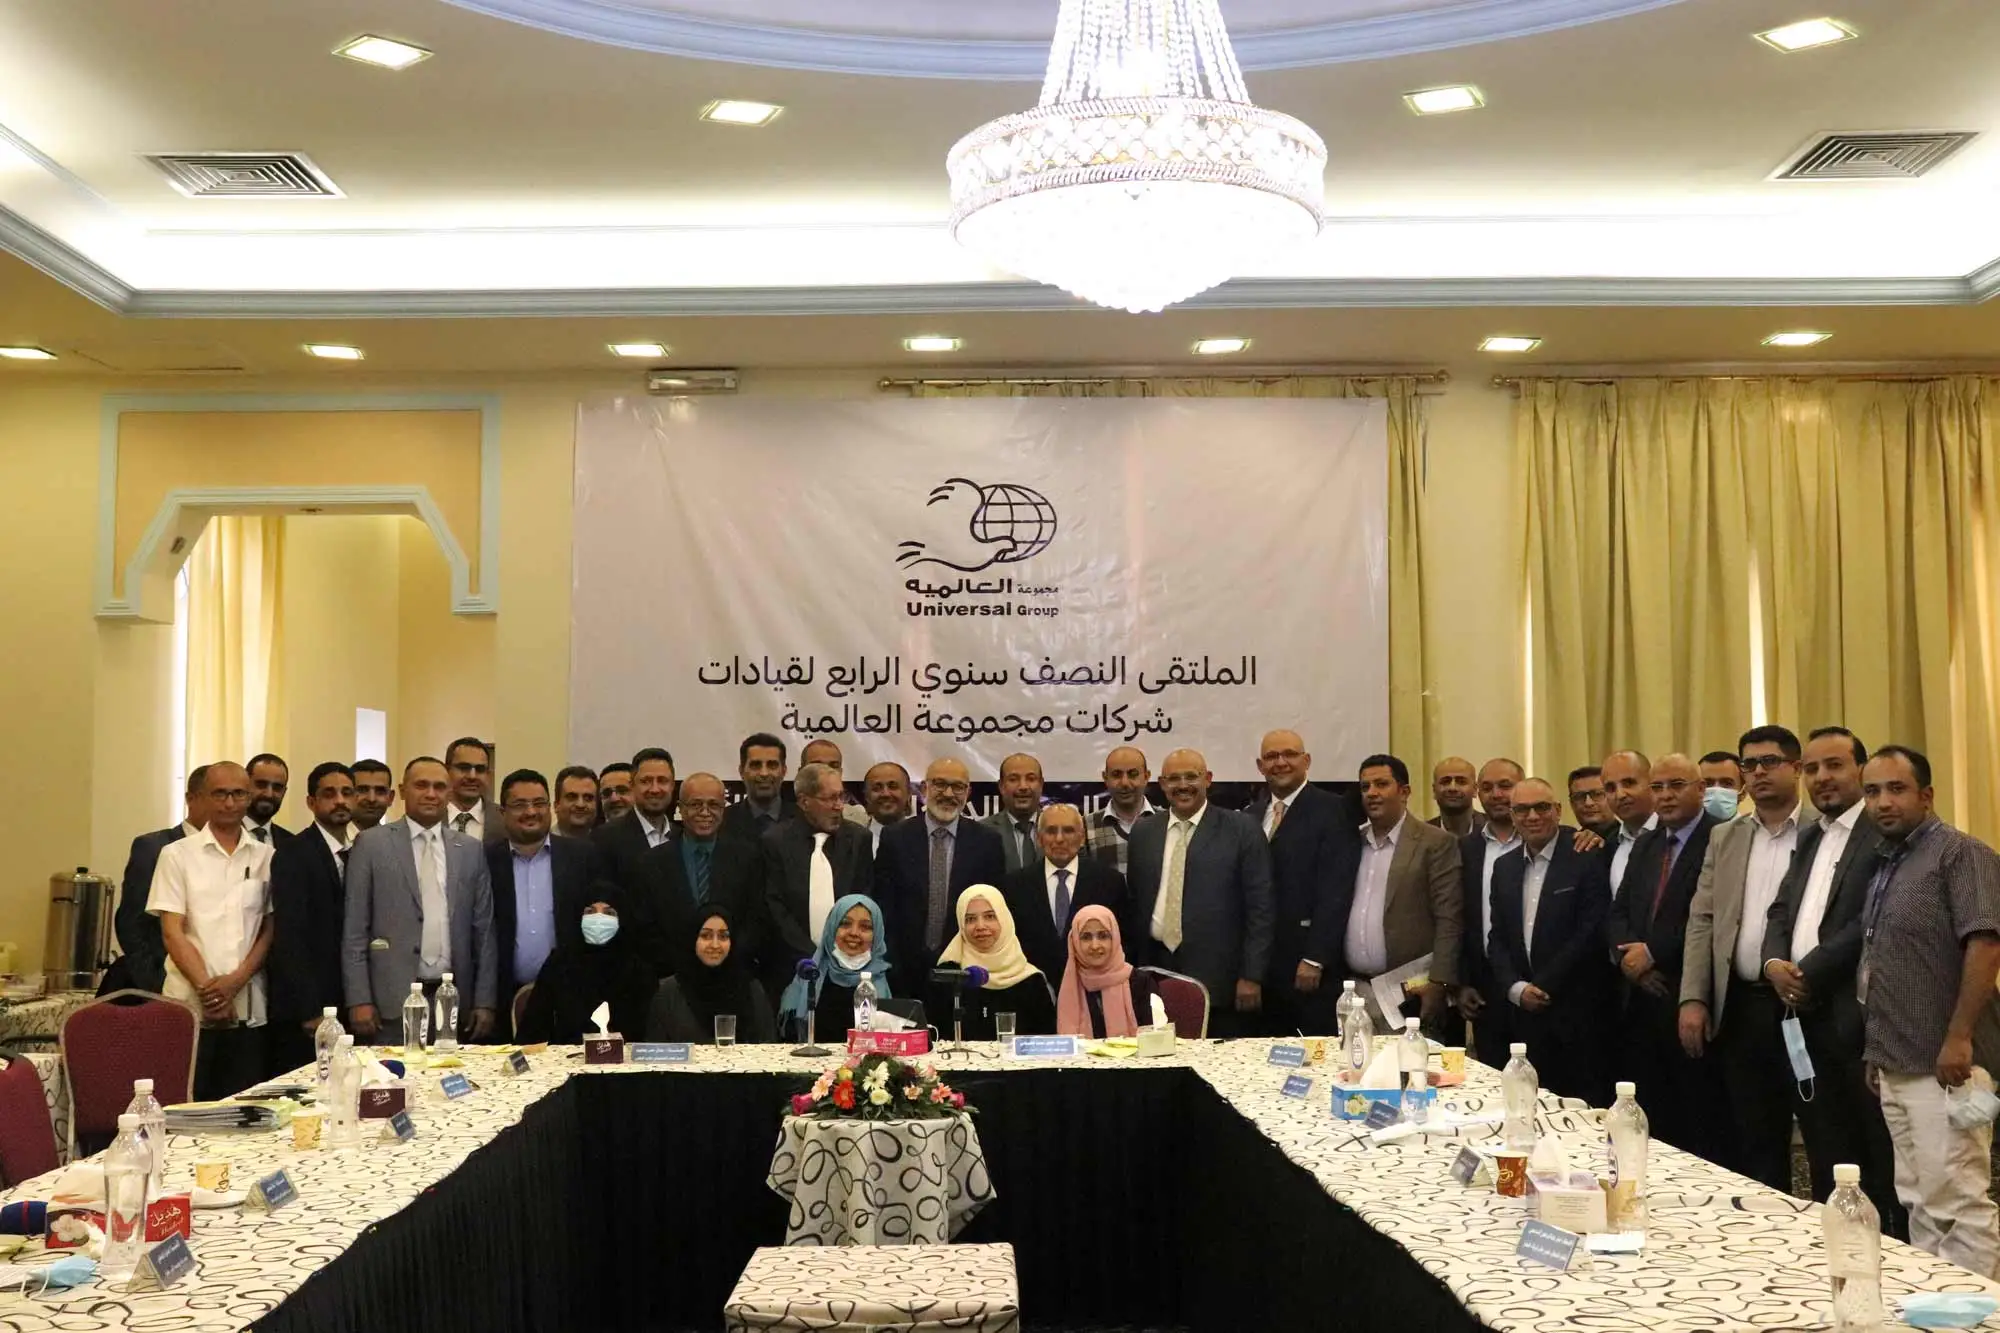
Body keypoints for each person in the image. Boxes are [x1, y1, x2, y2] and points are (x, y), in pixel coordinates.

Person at [1856, 745, 2000, 1276]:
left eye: (1896, 789)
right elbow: (1884, 960)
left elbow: (1986, 944)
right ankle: (1936, 1303)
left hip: (1948, 1062)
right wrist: (1877, 1052)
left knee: (1958, 1203)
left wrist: (1960, 1037)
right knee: (1917, 1199)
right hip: (1897, 1060)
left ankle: (1980, 1310)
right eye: (1872, 791)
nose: (1882, 802)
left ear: (1927, 795)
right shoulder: (1888, 861)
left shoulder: (1961, 853)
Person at [1761, 726, 1901, 1234]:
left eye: (1835, 765)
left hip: (1856, 1019)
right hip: (1802, 1016)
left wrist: (1810, 971)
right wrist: (1774, 964)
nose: (1822, 777)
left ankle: (1888, 1256)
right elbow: (1780, 910)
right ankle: (1833, 1250)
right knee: (1825, 1149)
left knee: (1875, 1157)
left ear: (1860, 770)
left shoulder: (1881, 831)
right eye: (1814, 768)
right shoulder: (1811, 834)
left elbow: (1869, 920)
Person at [1679, 725, 1803, 1192]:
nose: (1758, 772)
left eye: (1770, 761)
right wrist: (1693, 998)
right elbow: (1703, 919)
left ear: (1796, 768)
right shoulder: (1726, 836)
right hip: (1743, 1003)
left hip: (1807, 1002)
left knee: (1824, 1130)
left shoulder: (1823, 831)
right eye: (1749, 764)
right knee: (1755, 1133)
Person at [1606, 753, 1723, 1160]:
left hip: (1690, 995)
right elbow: (1618, 912)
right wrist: (1630, 961)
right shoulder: (1648, 843)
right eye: (1658, 787)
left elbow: (1711, 916)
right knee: (1653, 1120)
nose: (1666, 795)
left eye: (1676, 785)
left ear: (1701, 789)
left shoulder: (1721, 837)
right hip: (1641, 999)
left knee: (1700, 1121)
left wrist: (1654, 952)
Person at [341, 756, 499, 1045]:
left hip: (453, 1001)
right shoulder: (371, 844)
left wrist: (484, 1000)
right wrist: (359, 998)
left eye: (439, 787)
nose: (430, 794)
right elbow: (355, 929)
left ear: (449, 793)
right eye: (421, 785)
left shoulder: (470, 850)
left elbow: (484, 932)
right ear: (403, 791)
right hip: (390, 1002)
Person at [1127, 748, 1275, 1037]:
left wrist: (1252, 975)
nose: (1183, 785)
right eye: (1174, 779)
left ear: (1208, 779)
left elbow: (1262, 908)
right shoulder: (1143, 832)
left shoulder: (1242, 829)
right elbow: (1136, 902)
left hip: (1222, 980)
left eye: (1191, 777)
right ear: (1162, 784)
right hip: (1155, 974)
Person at [152, 761, 275, 1099]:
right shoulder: (176, 855)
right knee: (188, 1106)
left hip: (248, 1007)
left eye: (238, 794)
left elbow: (268, 929)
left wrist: (234, 983)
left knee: (244, 1108)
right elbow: (172, 931)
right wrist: (212, 994)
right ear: (203, 797)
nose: (229, 803)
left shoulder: (266, 856)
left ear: (249, 798)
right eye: (220, 794)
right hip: (189, 1007)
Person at [1487, 778, 1611, 1102]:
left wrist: (1543, 985)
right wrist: (1516, 989)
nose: (1532, 816)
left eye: (1541, 807)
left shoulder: (1587, 854)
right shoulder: (1504, 867)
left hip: (1578, 1015)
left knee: (1582, 1109)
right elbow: (1497, 937)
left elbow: (1590, 931)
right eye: (1522, 810)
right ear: (1512, 816)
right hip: (1523, 1018)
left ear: (1557, 810)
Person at [1318, 754, 1461, 1032]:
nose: (1372, 793)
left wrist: (1440, 983)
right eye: (1365, 787)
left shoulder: (1435, 843)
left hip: (1411, 993)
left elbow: (1450, 919)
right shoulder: (1352, 842)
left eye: (1381, 784)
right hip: (1354, 989)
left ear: (1404, 791)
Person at [1243, 730, 1350, 1037]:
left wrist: (1316, 957)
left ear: (1307, 761)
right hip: (1262, 971)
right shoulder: (1249, 816)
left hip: (1309, 970)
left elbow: (1337, 890)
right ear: (1260, 766)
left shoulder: (1334, 810)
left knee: (1312, 1056)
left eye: (1289, 754)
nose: (1280, 762)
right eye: (1271, 757)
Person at [488, 769, 601, 1034]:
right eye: (519, 805)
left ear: (550, 807)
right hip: (503, 999)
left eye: (539, 803)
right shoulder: (486, 860)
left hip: (570, 998)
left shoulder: (583, 857)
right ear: (502, 812)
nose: (531, 812)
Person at [876, 758, 1007, 981]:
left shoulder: (988, 842)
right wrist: (891, 963)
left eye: (957, 787)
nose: (948, 793)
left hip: (964, 970)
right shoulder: (895, 838)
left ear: (968, 793)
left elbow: (993, 910)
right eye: (939, 784)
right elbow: (884, 907)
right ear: (924, 789)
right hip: (902, 971)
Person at [267, 762, 354, 1073]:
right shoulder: (293, 853)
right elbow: (290, 936)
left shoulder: (359, 851)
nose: (340, 801)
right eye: (329, 794)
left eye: (347, 793)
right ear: (311, 802)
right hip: (310, 1007)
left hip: (348, 999)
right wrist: (310, 1009)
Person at [760, 763, 874, 991]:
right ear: (804, 802)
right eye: (830, 799)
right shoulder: (775, 842)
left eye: (841, 797)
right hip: (791, 966)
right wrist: (812, 955)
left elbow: (864, 897)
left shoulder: (858, 839)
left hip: (849, 965)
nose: (838, 806)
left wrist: (842, 951)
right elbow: (775, 907)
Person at [636, 772, 759, 977]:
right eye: (695, 804)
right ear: (680, 808)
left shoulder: (748, 859)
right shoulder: (652, 863)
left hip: (732, 977)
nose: (705, 812)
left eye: (713, 805)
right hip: (671, 979)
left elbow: (754, 922)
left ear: (724, 808)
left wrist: (724, 959)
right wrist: (687, 965)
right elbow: (646, 929)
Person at [1001, 802, 1125, 983]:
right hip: (1035, 988)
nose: (1059, 839)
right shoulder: (1015, 886)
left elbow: (1123, 943)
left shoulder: (1110, 882)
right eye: (1051, 831)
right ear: (1039, 838)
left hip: (1093, 988)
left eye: (1068, 831)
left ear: (1082, 838)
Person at [113, 764, 211, 994]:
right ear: (191, 799)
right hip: (168, 985)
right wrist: (155, 983)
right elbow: (131, 923)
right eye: (215, 795)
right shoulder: (154, 848)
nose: (226, 805)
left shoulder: (241, 852)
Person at [515, 888, 657, 1044]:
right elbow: (532, 1028)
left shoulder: (638, 970)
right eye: (590, 911)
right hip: (566, 1056)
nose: (598, 919)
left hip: (625, 1057)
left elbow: (650, 1035)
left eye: (608, 913)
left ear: (622, 919)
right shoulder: (560, 963)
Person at [1454, 758, 1524, 1066]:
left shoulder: (1554, 841)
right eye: (1487, 787)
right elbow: (1459, 919)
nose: (1496, 794)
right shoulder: (1465, 848)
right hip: (1485, 989)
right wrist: (1461, 982)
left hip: (1542, 985)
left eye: (1505, 786)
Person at [934, 888, 1055, 1039]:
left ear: (1004, 920)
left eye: (990, 916)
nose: (980, 926)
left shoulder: (1031, 980)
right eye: (970, 919)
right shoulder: (948, 975)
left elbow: (1046, 1042)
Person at [650, 906, 777, 1044]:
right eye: (706, 936)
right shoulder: (670, 992)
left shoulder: (751, 989)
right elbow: (654, 1050)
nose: (715, 945)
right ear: (693, 939)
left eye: (723, 936)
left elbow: (769, 1045)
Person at [778, 895, 895, 1042]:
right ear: (832, 928)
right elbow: (790, 1036)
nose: (854, 933)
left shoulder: (892, 980)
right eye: (845, 924)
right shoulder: (810, 975)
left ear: (876, 934)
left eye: (865, 927)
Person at [1056, 905, 1155, 1041]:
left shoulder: (1141, 984)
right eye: (1086, 937)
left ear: (1115, 938)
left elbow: (1156, 1041)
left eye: (1103, 936)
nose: (1095, 945)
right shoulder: (1070, 986)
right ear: (1075, 942)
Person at [594, 747, 677, 898]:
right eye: (646, 781)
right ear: (633, 786)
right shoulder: (604, 839)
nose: (655, 789)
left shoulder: (683, 837)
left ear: (672, 786)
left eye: (662, 781)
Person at [1087, 746, 1155, 878]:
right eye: (1116, 775)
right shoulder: (1086, 826)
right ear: (1105, 778)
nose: (1124, 782)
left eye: (1133, 774)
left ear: (1146, 777)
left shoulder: (1167, 822)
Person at [1600, 750, 1658, 897]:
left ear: (1651, 783)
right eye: (1611, 788)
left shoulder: (1675, 833)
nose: (1620, 795)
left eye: (1629, 783)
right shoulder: (1608, 845)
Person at [983, 753, 1045, 873]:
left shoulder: (1060, 830)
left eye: (1031, 779)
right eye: (1013, 779)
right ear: (1001, 786)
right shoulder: (982, 832)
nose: (1023, 786)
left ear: (1041, 785)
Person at [723, 733, 794, 837]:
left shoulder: (804, 820)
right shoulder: (722, 822)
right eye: (755, 765)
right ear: (741, 771)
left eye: (772, 765)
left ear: (784, 771)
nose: (764, 773)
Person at [442, 737, 502, 844]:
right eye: (464, 768)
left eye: (480, 769)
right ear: (446, 771)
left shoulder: (504, 819)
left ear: (488, 775)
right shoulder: (427, 817)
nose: (472, 776)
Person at [862, 761, 913, 855]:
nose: (885, 794)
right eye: (877, 788)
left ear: (909, 793)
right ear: (866, 796)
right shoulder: (854, 842)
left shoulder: (924, 841)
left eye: (893, 787)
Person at [243, 753, 293, 845]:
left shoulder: (292, 843)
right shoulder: (221, 834)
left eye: (277, 788)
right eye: (261, 785)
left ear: (284, 792)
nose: (268, 794)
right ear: (244, 785)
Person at [1428, 757, 1483, 839]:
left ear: (1475, 789)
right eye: (1445, 782)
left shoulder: (1494, 829)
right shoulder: (1420, 835)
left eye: (1461, 782)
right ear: (1434, 790)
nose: (1452, 788)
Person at [1566, 766, 1619, 841]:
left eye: (1597, 794)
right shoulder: (1567, 843)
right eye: (1579, 796)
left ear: (1613, 797)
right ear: (1572, 804)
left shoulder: (1631, 840)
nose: (1588, 803)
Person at [553, 766, 600, 840]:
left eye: (588, 798)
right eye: (572, 797)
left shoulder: (606, 844)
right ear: (556, 805)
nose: (580, 805)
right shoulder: (539, 844)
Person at [350, 759, 395, 832]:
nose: (371, 799)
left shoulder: (397, 838)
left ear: (391, 798)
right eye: (362, 790)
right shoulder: (331, 837)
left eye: (380, 791)